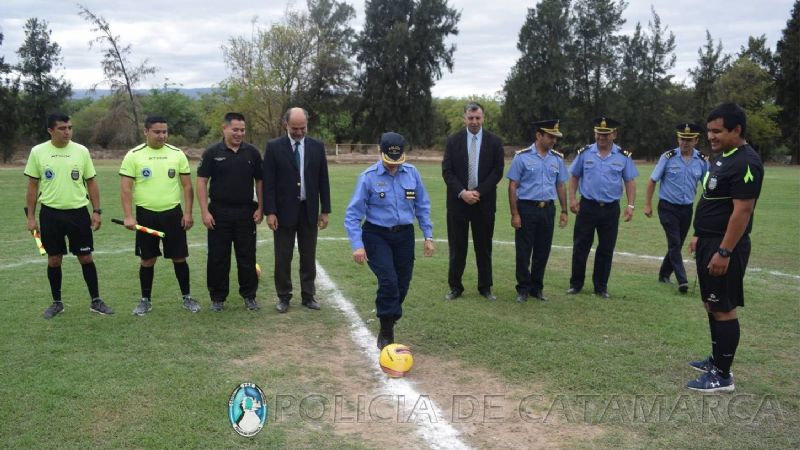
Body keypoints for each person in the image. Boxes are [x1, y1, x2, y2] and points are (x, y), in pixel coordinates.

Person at [685, 103, 763, 392]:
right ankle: (715, 360)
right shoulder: (722, 158)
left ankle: (723, 374)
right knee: (711, 303)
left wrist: (724, 251)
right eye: (709, 130)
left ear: (736, 130)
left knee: (724, 308)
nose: (711, 136)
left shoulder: (747, 162)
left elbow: (742, 211)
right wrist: (699, 234)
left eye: (717, 131)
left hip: (724, 246)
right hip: (709, 241)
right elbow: (712, 201)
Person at [344, 132, 435, 349]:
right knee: (389, 281)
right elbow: (353, 214)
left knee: (403, 283)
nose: (393, 166)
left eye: (397, 161)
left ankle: (389, 316)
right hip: (376, 235)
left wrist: (428, 235)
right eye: (389, 161)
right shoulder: (368, 177)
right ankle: (386, 329)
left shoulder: (412, 174)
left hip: (404, 235)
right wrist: (357, 245)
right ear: (380, 152)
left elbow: (422, 206)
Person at [24, 113, 114, 318]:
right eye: (62, 128)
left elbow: (91, 182)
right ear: (50, 130)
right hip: (50, 214)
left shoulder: (81, 151)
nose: (67, 132)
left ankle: (96, 301)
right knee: (54, 259)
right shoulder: (38, 152)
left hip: (78, 213)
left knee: (85, 256)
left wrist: (97, 211)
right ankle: (57, 303)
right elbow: (32, 186)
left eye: (69, 127)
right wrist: (31, 217)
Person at [120, 115, 199, 315]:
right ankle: (145, 300)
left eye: (164, 131)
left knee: (179, 257)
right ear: (146, 132)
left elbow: (187, 186)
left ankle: (187, 298)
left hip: (173, 214)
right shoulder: (134, 155)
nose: (161, 135)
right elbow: (126, 189)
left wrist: (188, 213)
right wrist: (129, 215)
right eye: (157, 132)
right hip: (146, 215)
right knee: (148, 259)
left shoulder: (177, 154)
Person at [262, 107, 331, 313]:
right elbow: (269, 183)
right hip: (283, 212)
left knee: (308, 255)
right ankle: (284, 297)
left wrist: (325, 210)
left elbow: (323, 180)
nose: (299, 132)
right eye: (295, 128)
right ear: (286, 125)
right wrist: (271, 212)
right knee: (283, 256)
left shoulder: (317, 146)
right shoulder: (274, 147)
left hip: (308, 210)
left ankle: (308, 296)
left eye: (303, 128)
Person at [196, 112, 263, 312]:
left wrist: (261, 207)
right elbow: (201, 181)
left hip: (246, 213)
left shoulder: (252, 152)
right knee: (218, 257)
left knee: (247, 257)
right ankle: (218, 298)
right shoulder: (211, 152)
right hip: (218, 213)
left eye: (242, 130)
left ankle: (249, 296)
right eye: (235, 129)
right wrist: (204, 211)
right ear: (224, 128)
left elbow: (260, 180)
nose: (239, 133)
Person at [567, 117, 638, 299]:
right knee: (581, 246)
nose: (602, 137)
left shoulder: (623, 156)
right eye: (599, 133)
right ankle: (576, 284)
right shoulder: (585, 153)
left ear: (614, 134)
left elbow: (629, 181)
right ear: (594, 133)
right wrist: (573, 199)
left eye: (606, 134)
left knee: (606, 249)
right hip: (587, 206)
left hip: (610, 209)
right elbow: (574, 176)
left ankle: (600, 287)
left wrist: (630, 205)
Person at [441, 102, 504, 301]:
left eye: (477, 118)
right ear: (465, 118)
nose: (474, 122)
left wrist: (477, 192)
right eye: (471, 118)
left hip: (483, 203)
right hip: (458, 203)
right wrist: (462, 192)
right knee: (457, 247)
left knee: (483, 247)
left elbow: (497, 171)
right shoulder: (453, 140)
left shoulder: (494, 142)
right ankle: (455, 287)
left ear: (483, 118)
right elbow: (447, 171)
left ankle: (485, 287)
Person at [507, 120, 569, 303]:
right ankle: (523, 289)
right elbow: (512, 186)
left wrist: (564, 210)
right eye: (550, 136)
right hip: (526, 208)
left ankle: (537, 288)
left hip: (548, 209)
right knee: (524, 251)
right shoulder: (522, 157)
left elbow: (560, 185)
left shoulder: (557, 159)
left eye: (555, 137)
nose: (553, 141)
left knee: (543, 251)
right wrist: (515, 213)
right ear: (539, 135)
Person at [644, 123, 709, 294]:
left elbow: (708, 185)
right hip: (667, 207)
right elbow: (652, 181)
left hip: (687, 209)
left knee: (676, 245)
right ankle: (682, 280)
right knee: (674, 242)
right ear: (678, 139)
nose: (685, 143)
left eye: (689, 139)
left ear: (696, 140)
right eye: (682, 139)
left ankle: (664, 274)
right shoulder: (668, 157)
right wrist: (648, 204)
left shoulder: (702, 160)